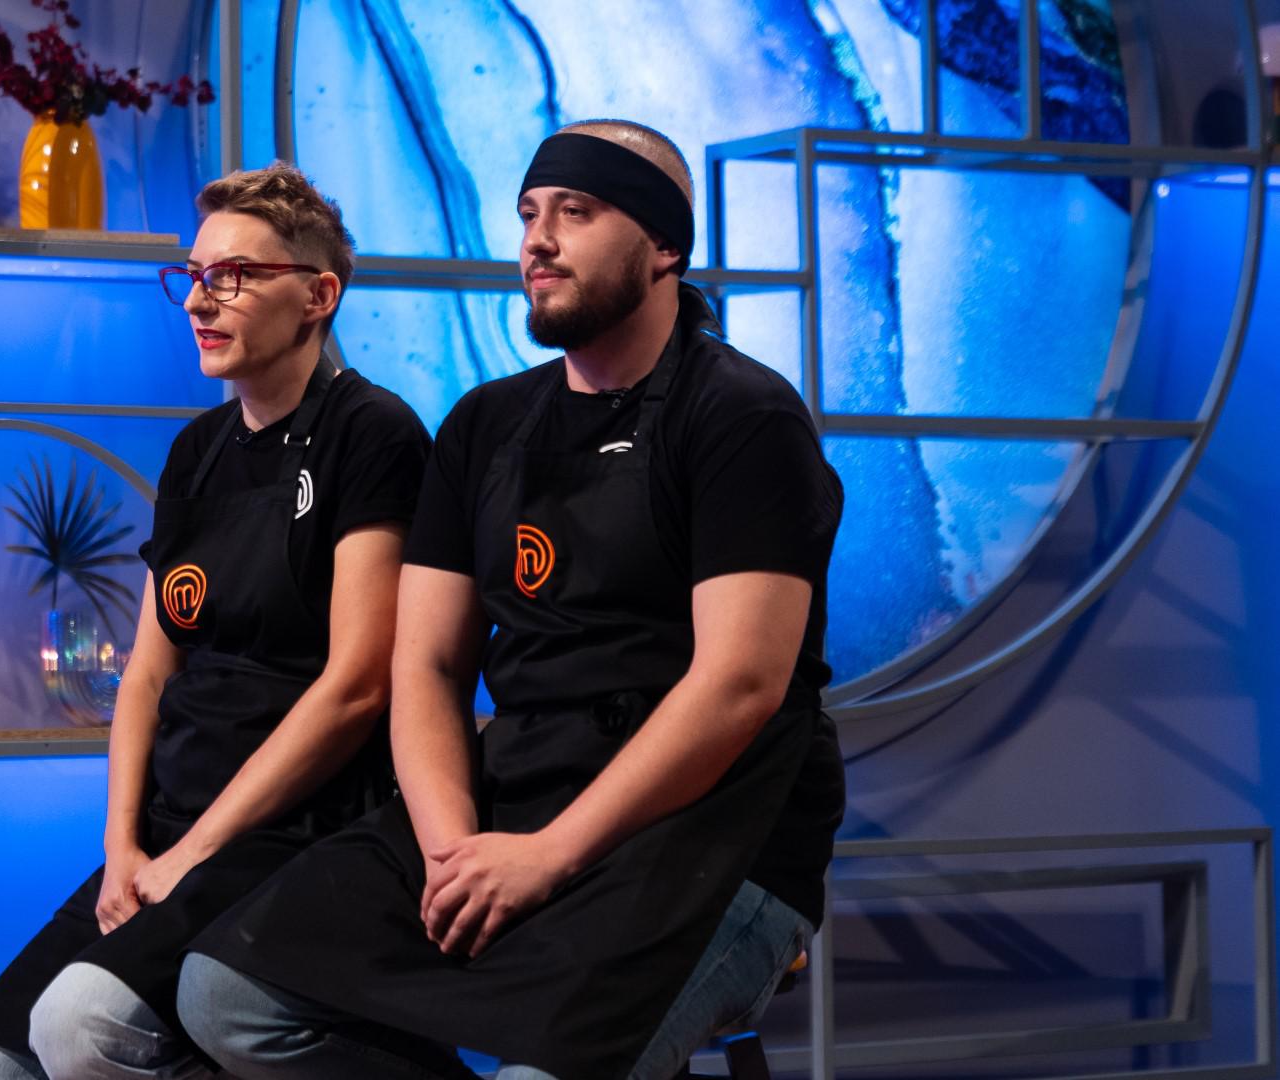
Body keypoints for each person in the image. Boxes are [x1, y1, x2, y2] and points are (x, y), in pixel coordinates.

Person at [176, 120, 847, 1080]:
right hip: (514, 798)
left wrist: (550, 856)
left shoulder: (742, 415)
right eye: (530, 214)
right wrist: (452, 847)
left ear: (664, 245)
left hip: (712, 835)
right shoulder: (487, 424)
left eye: (576, 213)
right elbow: (428, 663)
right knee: (227, 995)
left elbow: (739, 684)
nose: (539, 241)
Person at [0, 162, 432, 1080]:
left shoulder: (373, 433)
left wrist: (194, 852)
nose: (201, 300)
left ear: (319, 296)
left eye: (234, 276)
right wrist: (122, 847)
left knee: (83, 1028)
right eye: (195, 276)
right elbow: (149, 674)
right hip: (167, 834)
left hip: (295, 834)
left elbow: (358, 684)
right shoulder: (197, 452)